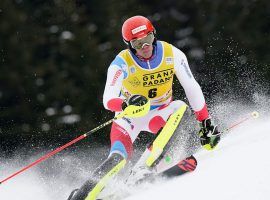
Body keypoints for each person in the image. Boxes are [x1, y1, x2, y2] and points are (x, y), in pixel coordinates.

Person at [68, 15, 220, 200]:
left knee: (180, 108)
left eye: (147, 40)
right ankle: (82, 196)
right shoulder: (121, 63)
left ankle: (144, 168)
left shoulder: (172, 54)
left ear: (153, 35)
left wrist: (205, 122)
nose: (144, 47)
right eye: (137, 44)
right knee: (117, 159)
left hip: (159, 114)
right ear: (128, 45)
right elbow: (108, 98)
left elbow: (191, 87)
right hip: (128, 118)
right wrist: (125, 104)